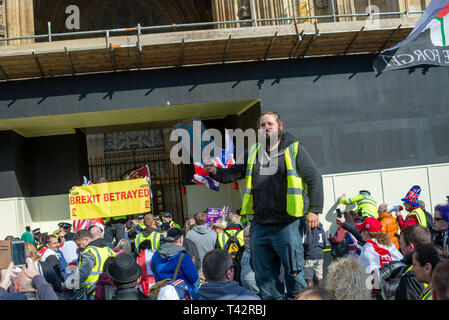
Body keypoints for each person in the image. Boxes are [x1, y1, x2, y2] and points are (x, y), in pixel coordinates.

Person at [205, 111, 324, 300]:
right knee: (264, 278)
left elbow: (314, 178)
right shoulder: (253, 151)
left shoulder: (293, 148)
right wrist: (214, 171)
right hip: (260, 226)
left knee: (294, 275)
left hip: (288, 223)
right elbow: (232, 174)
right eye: (262, 125)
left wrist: (314, 210)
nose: (266, 127)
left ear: (280, 127)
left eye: (270, 124)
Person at [378, 224, 431, 300]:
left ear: (410, 247)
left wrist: (377, 276)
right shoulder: (436, 264)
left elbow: (387, 291)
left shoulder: (411, 275)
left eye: (401, 243)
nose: (400, 247)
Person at [68, 227, 116, 299]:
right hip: (108, 289)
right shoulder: (107, 249)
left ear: (86, 239)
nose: (79, 247)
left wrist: (68, 284)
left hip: (93, 291)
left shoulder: (89, 252)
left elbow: (83, 273)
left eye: (79, 244)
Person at [151, 228, 199, 292]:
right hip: (181, 293)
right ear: (181, 240)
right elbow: (193, 278)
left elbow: (154, 272)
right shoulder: (184, 257)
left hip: (162, 291)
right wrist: (192, 265)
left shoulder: (156, 254)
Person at [184, 211, 217, 277]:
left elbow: (186, 253)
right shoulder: (214, 234)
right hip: (211, 268)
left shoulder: (189, 234)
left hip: (196, 269)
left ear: (195, 221)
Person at [234, 225, 259, 296]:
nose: (245, 239)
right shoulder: (241, 250)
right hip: (243, 293)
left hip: (259, 294)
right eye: (244, 236)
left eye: (248, 236)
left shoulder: (261, 251)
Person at [303, 222, 326, 288]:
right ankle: (321, 295)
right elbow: (324, 243)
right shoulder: (321, 229)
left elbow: (308, 243)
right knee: (320, 276)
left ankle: (311, 296)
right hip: (320, 255)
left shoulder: (309, 229)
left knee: (309, 278)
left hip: (310, 255)